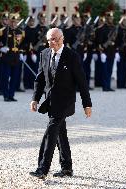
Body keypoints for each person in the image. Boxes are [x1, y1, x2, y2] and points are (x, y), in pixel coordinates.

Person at [29, 28, 92, 179]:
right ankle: (67, 168)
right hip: (51, 101)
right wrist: (35, 99)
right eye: (51, 39)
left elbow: (82, 82)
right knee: (60, 134)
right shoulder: (44, 54)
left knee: (50, 133)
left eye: (56, 39)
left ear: (62, 39)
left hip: (65, 102)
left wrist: (87, 104)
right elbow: (40, 79)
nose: (54, 42)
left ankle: (42, 169)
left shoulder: (72, 56)